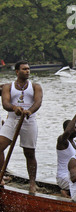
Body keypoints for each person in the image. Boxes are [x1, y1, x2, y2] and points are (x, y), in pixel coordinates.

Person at [0, 60, 43, 192]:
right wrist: (14, 108)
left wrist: (29, 111)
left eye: (28, 69)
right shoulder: (8, 87)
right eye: (24, 69)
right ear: (17, 71)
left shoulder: (35, 86)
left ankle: (32, 183)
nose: (27, 71)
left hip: (29, 121)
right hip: (12, 120)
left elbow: (38, 102)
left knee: (29, 153)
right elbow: (5, 103)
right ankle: (0, 177)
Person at [56, 107, 76, 198]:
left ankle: (67, 191)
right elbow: (68, 131)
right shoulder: (62, 142)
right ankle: (67, 191)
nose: (75, 129)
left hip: (74, 175)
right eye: (73, 127)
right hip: (63, 177)